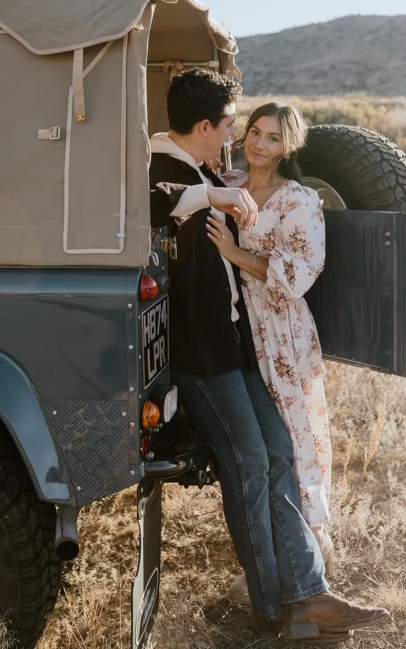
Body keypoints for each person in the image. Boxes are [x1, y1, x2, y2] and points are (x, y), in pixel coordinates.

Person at [149, 68, 389, 642]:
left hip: (242, 346)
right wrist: (216, 195)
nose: (247, 139)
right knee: (251, 465)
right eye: (240, 126)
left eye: (267, 134)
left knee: (280, 452)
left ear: (289, 145)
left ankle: (307, 592)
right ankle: (280, 606)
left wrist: (221, 203)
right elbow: (152, 201)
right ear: (208, 126)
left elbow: (291, 270)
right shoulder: (175, 169)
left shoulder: (217, 171)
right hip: (203, 353)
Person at [206, 102, 333, 606]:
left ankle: (311, 568)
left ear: (289, 146)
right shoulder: (231, 183)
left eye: (273, 138)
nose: (259, 144)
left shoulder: (299, 199)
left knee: (293, 446)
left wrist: (235, 254)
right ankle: (275, 567)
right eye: (254, 132)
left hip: (282, 335)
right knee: (261, 452)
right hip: (242, 332)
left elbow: (302, 273)